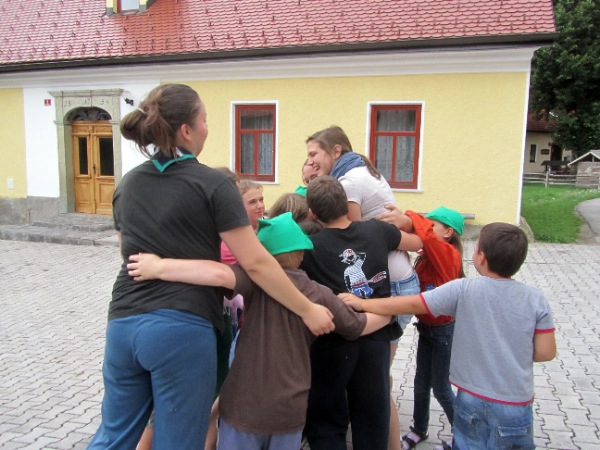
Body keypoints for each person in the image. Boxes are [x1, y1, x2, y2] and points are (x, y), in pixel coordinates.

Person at [86, 84, 334, 450]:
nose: (207, 127)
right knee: (178, 441)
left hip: (123, 324)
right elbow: (256, 262)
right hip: (180, 328)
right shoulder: (213, 184)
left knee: (112, 437)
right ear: (186, 130)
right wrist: (307, 308)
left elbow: (128, 252)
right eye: (204, 120)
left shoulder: (128, 183)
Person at [127, 212, 393, 450]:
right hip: (289, 408)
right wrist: (388, 313)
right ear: (302, 254)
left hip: (242, 406)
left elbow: (217, 274)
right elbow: (358, 326)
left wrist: (158, 267)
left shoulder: (253, 281)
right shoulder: (319, 294)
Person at [340, 222, 557, 450]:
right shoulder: (536, 298)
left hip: (471, 397)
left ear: (481, 257)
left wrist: (363, 304)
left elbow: (412, 303)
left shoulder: (463, 289)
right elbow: (546, 352)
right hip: (515, 403)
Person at [305, 125, 420, 450]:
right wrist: (402, 221)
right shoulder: (376, 231)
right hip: (375, 343)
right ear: (347, 203)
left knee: (327, 423)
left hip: (332, 345)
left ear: (312, 213)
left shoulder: (309, 246)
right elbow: (417, 242)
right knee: (372, 419)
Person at [378, 205, 465, 450]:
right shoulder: (428, 256)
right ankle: (419, 429)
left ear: (448, 232)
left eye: (432, 224)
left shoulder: (447, 254)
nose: (425, 228)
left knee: (441, 388)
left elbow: (426, 235)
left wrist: (407, 218)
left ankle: (465, 437)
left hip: (443, 332)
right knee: (420, 383)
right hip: (427, 329)